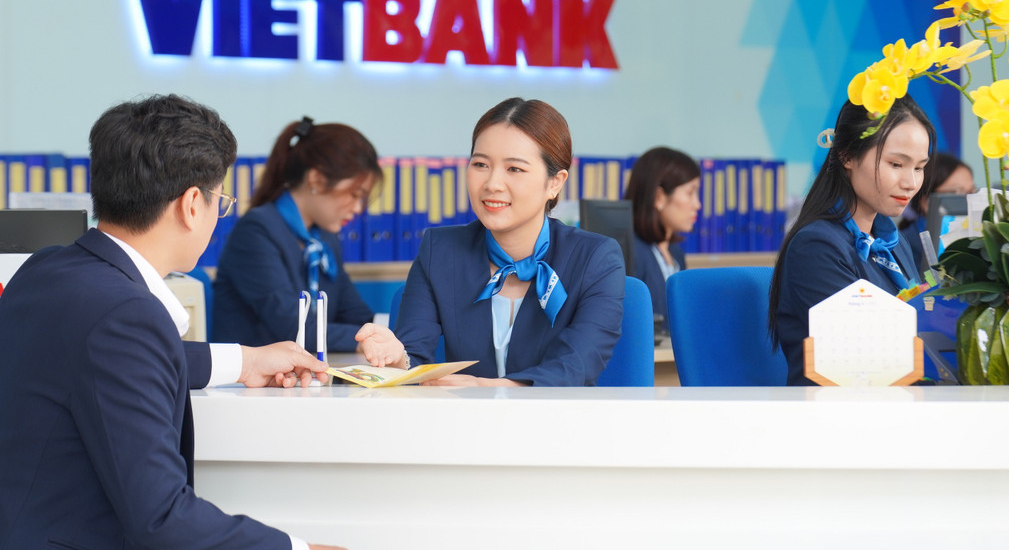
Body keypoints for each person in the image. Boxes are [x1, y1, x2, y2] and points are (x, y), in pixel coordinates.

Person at [0, 95, 344, 550]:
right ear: (191, 204)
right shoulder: (126, 316)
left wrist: (245, 362)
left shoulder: (47, 269)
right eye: (220, 202)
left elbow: (111, 363)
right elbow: (163, 519)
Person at [394, 97, 625, 386]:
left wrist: (488, 388)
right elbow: (413, 357)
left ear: (554, 183)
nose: (492, 184)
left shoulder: (595, 258)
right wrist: (396, 359)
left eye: (514, 169)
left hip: (557, 414)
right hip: (463, 414)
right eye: (480, 164)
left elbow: (576, 364)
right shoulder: (439, 251)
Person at [768, 96, 935, 386]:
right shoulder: (816, 248)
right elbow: (864, 360)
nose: (910, 183)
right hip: (841, 408)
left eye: (919, 168)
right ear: (847, 157)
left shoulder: (893, 241)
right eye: (896, 164)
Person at [211, 118, 404, 366]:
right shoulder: (256, 232)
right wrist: (363, 340)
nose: (358, 208)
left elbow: (355, 314)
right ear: (316, 180)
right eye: (354, 194)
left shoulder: (323, 239)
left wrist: (384, 334)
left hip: (300, 375)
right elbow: (293, 326)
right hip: (250, 381)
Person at [623, 147, 700, 331]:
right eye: (690, 193)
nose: (697, 204)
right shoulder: (632, 253)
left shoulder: (676, 254)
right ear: (659, 197)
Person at [899, 151, 975, 265]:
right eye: (959, 193)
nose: (969, 200)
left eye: (972, 191)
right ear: (926, 203)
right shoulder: (904, 247)